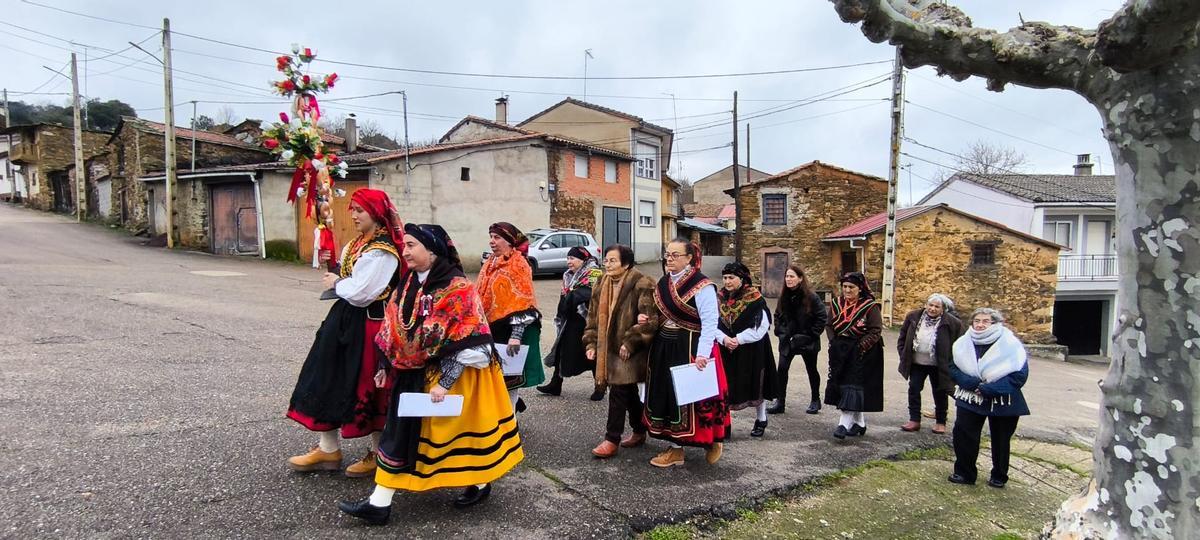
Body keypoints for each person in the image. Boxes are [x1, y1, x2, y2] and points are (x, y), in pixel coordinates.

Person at [338, 224, 522, 524]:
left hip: (455, 378)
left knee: (459, 440)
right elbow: (394, 326)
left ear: (432, 249)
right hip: (411, 375)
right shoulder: (408, 283)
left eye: (411, 245)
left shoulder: (458, 287)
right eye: (405, 245)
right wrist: (386, 366)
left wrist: (446, 383)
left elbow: (470, 336)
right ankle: (379, 503)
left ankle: (478, 482)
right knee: (399, 437)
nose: (405, 251)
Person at [286, 188, 404, 478]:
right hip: (344, 319)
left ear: (376, 213)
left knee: (368, 386)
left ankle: (380, 453)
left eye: (359, 210)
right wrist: (334, 265)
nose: (352, 215)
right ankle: (328, 449)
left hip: (368, 324)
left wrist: (338, 281)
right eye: (352, 209)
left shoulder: (382, 251)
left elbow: (363, 292)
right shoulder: (358, 244)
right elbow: (350, 278)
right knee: (327, 376)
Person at [641, 238, 729, 468]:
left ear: (689, 258)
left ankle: (710, 441)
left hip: (690, 345)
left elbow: (710, 322)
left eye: (675, 255)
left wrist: (702, 354)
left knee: (693, 399)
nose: (669, 259)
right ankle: (676, 448)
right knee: (667, 395)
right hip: (664, 345)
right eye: (667, 254)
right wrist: (647, 320)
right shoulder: (663, 283)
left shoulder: (702, 285)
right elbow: (661, 316)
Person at [581, 244, 658, 458]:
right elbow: (593, 316)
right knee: (628, 391)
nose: (607, 264)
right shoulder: (601, 282)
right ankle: (640, 429)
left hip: (628, 351)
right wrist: (591, 343)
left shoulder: (643, 283)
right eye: (606, 260)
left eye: (613, 260)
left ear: (626, 263)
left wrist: (631, 342)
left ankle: (611, 438)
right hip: (608, 348)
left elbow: (650, 320)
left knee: (618, 391)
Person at [948, 308, 1029, 488]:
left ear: (996, 323)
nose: (980, 324)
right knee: (964, 435)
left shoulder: (1011, 344)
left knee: (1001, 440)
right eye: (977, 320)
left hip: (1002, 400)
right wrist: (973, 384)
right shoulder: (962, 343)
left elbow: (1019, 375)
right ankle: (964, 473)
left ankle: (999, 475)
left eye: (986, 321)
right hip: (970, 397)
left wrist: (989, 389)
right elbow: (953, 368)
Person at [478, 222, 546, 411]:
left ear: (509, 241)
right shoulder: (490, 262)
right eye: (491, 236)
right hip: (492, 328)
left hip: (511, 331)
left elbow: (523, 302)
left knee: (510, 379)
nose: (492, 241)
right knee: (493, 377)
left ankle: (510, 421)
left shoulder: (518, 264)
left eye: (497, 237)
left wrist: (516, 336)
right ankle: (507, 411)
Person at [717, 262, 777, 437]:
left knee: (755, 383)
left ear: (742, 279)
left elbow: (761, 326)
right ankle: (725, 424)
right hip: (726, 347)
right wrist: (723, 338)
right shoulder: (719, 297)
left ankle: (761, 418)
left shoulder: (755, 298)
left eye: (731, 278)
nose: (727, 281)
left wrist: (738, 339)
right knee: (725, 385)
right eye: (725, 277)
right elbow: (711, 322)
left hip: (751, 348)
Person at [538, 246, 604, 399]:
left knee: (591, 352)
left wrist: (573, 297)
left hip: (587, 320)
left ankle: (599, 387)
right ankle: (556, 384)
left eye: (573, 258)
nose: (569, 261)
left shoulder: (594, 274)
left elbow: (590, 295)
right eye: (568, 258)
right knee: (561, 350)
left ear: (583, 260)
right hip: (570, 320)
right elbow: (565, 297)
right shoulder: (567, 276)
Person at [824, 271, 884, 440]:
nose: (847, 290)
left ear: (860, 288)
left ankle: (843, 424)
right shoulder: (836, 304)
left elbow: (875, 331)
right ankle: (860, 423)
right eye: (844, 287)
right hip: (840, 350)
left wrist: (859, 347)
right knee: (844, 384)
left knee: (853, 386)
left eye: (851, 287)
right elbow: (829, 325)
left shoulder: (870, 307)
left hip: (863, 352)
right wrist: (834, 342)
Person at [897, 293, 964, 434]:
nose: (932, 309)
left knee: (940, 391)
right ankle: (914, 419)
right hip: (917, 362)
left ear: (943, 309)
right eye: (930, 305)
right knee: (914, 389)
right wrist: (903, 353)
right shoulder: (913, 316)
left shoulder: (952, 323)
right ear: (926, 305)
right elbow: (902, 336)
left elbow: (960, 344)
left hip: (939, 365)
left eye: (937, 306)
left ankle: (941, 422)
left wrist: (953, 363)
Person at [769, 264, 828, 415]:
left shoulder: (812, 297)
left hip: (807, 340)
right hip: (788, 340)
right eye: (787, 276)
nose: (788, 279)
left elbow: (822, 318)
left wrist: (811, 335)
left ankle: (816, 400)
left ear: (800, 279)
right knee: (782, 369)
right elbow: (777, 316)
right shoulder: (784, 297)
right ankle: (780, 401)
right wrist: (781, 332)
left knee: (811, 369)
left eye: (792, 276)